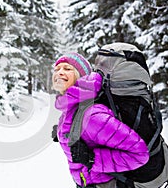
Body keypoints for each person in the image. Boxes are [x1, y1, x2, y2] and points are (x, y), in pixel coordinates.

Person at [52, 52, 150, 188]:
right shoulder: (72, 107)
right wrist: (63, 132)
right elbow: (88, 135)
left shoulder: (92, 116)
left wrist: (91, 159)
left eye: (67, 69)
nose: (59, 73)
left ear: (81, 75)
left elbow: (139, 154)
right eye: (56, 69)